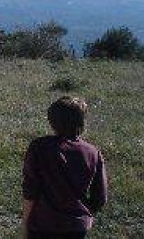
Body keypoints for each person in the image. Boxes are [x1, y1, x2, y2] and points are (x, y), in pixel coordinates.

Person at [22, 96, 108, 239]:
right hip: (77, 227)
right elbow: (100, 197)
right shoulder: (93, 152)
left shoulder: (39, 147)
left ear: (52, 122)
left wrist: (25, 223)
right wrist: (85, 216)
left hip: (44, 224)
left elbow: (30, 190)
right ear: (81, 122)